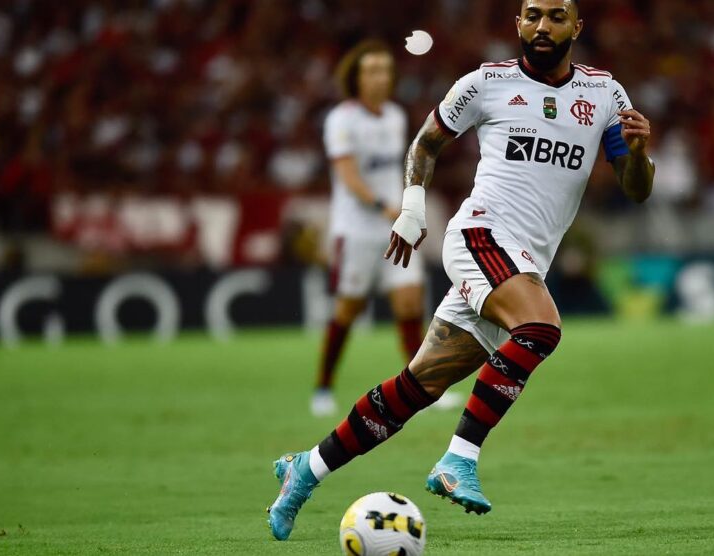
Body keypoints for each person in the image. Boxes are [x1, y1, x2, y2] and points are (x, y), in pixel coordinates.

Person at [268, 0, 654, 540]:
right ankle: (459, 458)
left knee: (418, 386)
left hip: (524, 261)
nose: (542, 26)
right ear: (518, 24)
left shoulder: (605, 93)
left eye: (555, 16)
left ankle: (305, 469)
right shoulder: (485, 83)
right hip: (480, 236)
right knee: (541, 327)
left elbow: (636, 189)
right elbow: (426, 143)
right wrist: (412, 209)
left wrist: (638, 155)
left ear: (576, 26)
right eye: (532, 15)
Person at [314, 40, 453, 417]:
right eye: (372, 71)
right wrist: (385, 207)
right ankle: (323, 387)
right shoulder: (341, 119)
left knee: (409, 302)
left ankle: (422, 388)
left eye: (385, 71)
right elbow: (348, 176)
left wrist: (402, 207)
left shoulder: (394, 116)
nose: (380, 78)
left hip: (394, 226)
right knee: (348, 309)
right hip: (355, 230)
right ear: (356, 78)